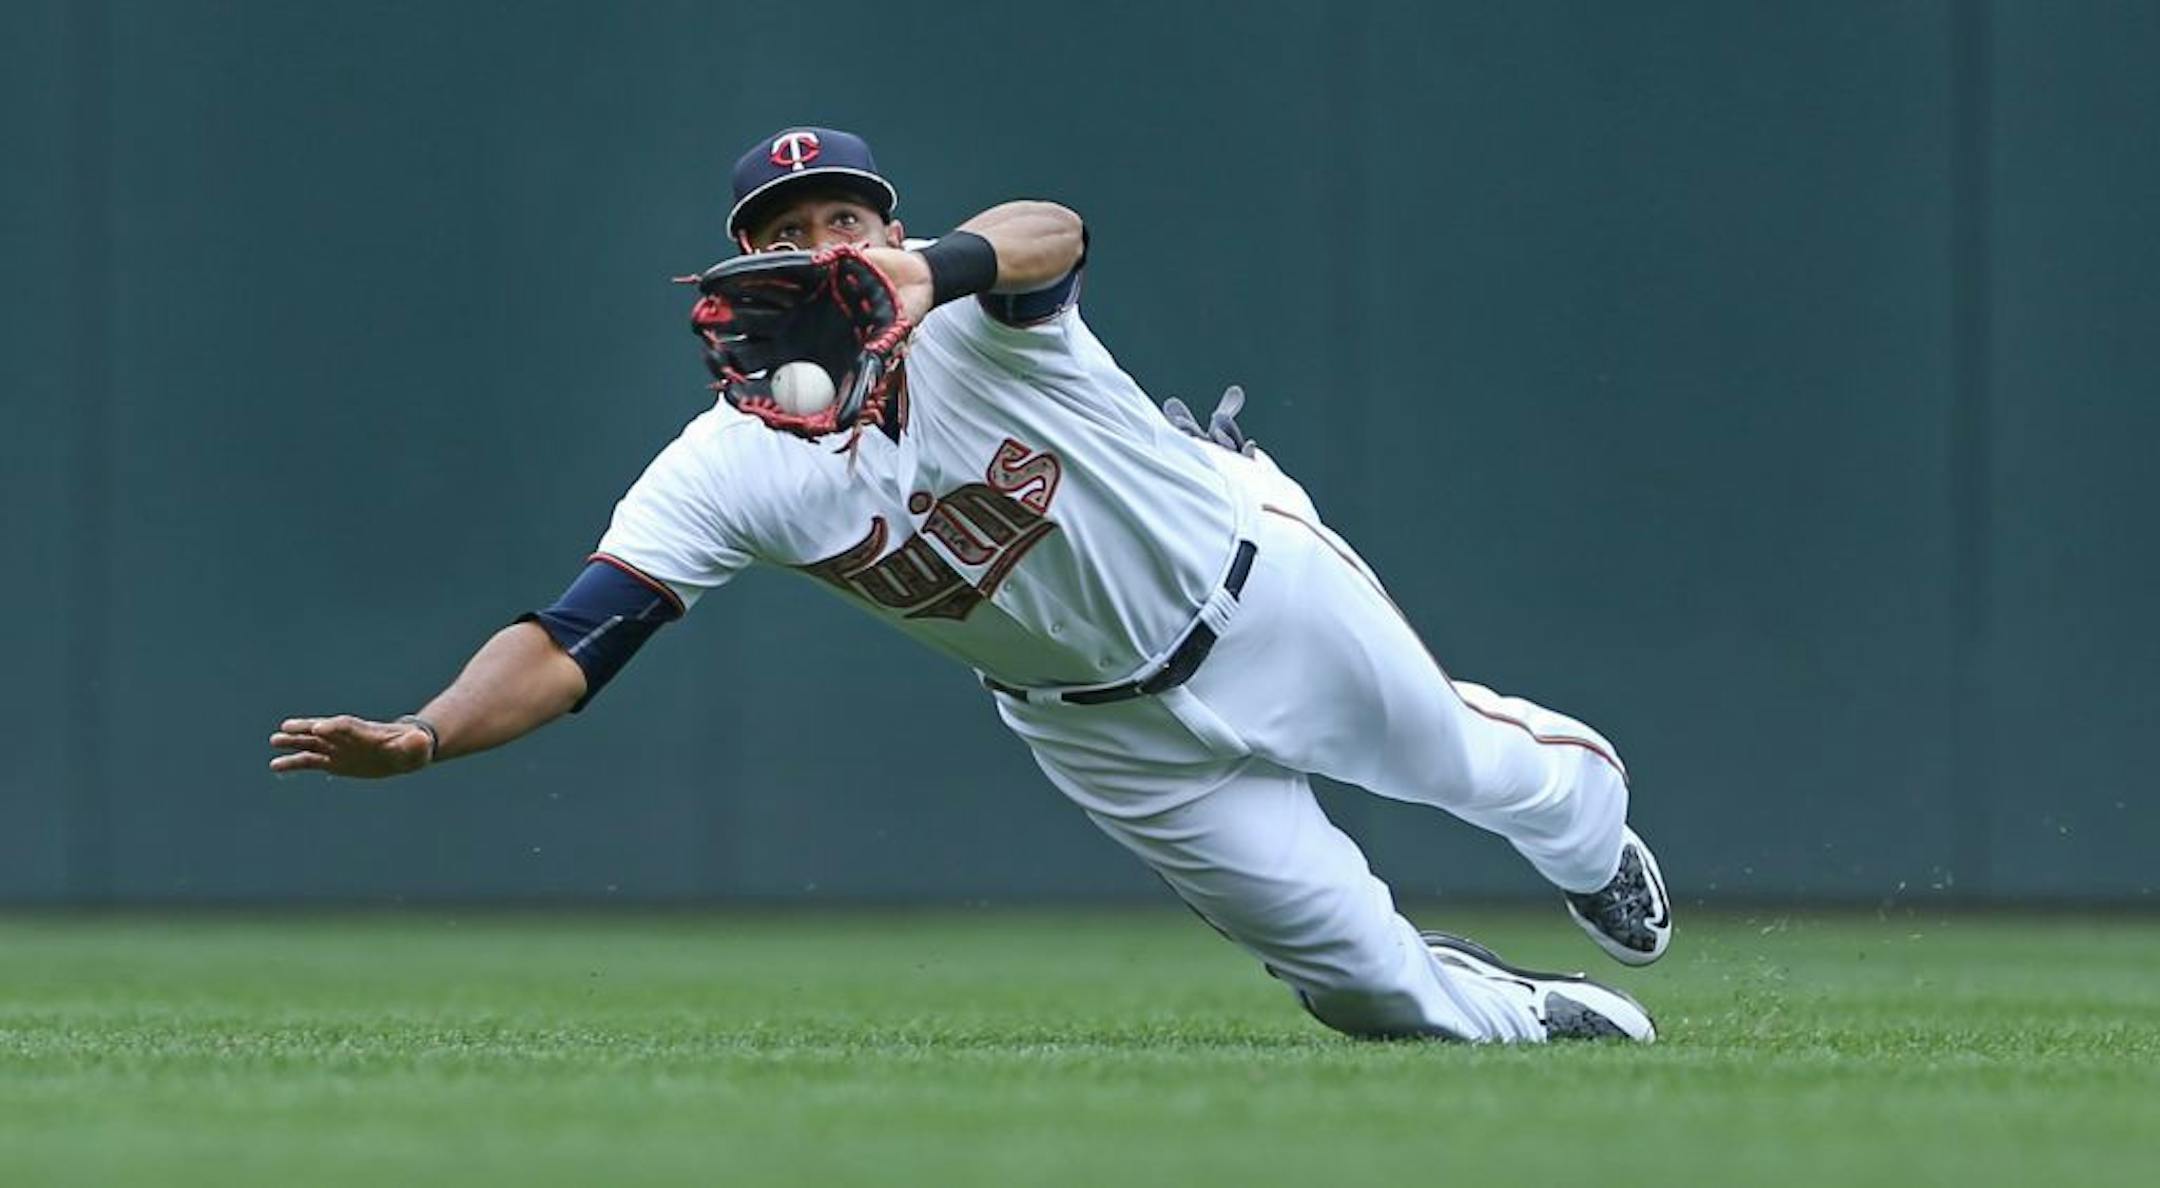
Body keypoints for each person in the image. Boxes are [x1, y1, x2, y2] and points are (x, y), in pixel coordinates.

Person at [269, 126, 1671, 1043]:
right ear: (741, 266)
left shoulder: (979, 327)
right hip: (1091, 723)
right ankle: (1514, 1016)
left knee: (1493, 776)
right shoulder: (725, 465)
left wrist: (923, 274)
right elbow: (577, 636)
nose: (817, 238)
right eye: (784, 225)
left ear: (884, 229)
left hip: (1256, 597)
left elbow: (1050, 225)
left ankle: (1594, 848)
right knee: (1366, 990)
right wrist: (431, 732)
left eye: (842, 215)